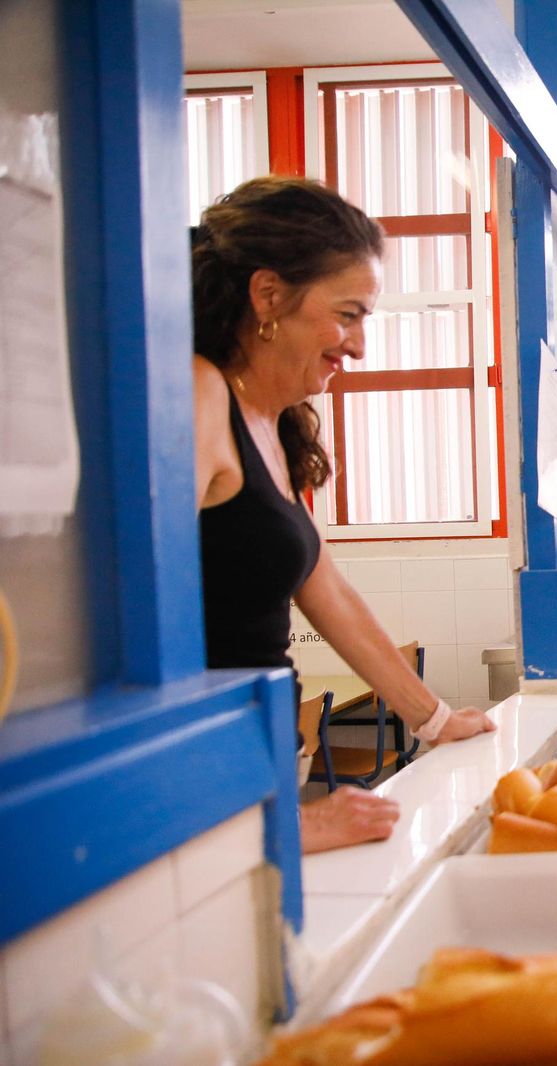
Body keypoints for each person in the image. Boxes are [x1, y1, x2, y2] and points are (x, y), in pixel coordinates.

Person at [191, 177, 496, 854]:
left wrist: (434, 718)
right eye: (348, 314)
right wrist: (287, 826)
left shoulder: (276, 422)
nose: (358, 347)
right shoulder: (199, 397)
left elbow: (329, 593)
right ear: (269, 295)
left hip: (261, 765)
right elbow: (141, 627)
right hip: (206, 784)